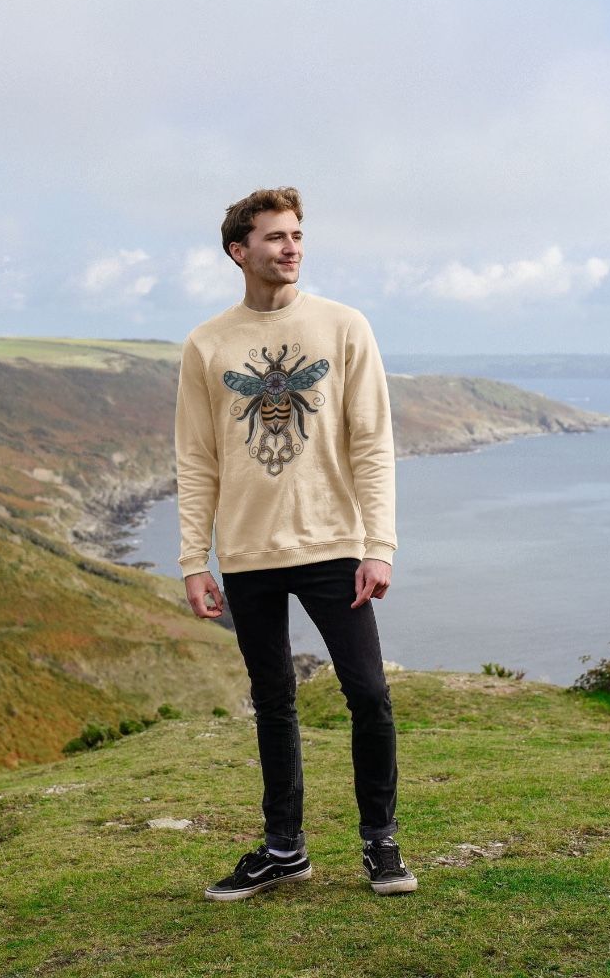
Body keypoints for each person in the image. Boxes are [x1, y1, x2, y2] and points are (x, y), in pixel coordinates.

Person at [174, 185, 416, 901]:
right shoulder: (207, 344)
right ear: (238, 251)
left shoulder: (344, 327)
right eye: (276, 237)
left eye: (298, 235)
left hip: (334, 546)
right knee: (272, 699)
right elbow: (197, 458)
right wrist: (194, 558)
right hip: (247, 553)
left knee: (368, 694)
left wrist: (381, 545)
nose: (291, 248)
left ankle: (381, 841)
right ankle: (284, 847)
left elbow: (373, 441)